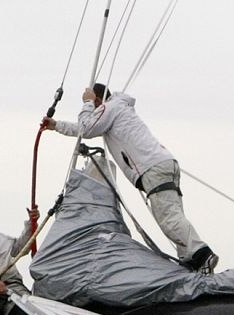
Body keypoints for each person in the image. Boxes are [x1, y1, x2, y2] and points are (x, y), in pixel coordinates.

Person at [41, 84, 216, 273]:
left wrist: (87, 102)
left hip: (152, 168)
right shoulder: (117, 109)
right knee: (172, 215)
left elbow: (87, 128)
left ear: (99, 100)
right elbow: (86, 127)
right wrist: (56, 125)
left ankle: (202, 254)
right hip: (163, 163)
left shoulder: (110, 108)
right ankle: (191, 262)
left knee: (169, 219)